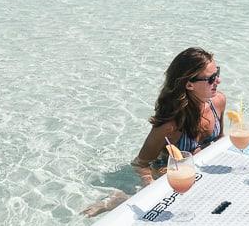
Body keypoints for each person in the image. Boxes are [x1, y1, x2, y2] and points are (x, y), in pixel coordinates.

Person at [82, 47, 226, 217]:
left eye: (217, 73)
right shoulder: (170, 126)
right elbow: (140, 163)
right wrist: (150, 185)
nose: (218, 80)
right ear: (189, 84)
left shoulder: (218, 102)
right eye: (211, 78)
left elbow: (219, 139)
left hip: (197, 170)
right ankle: (117, 199)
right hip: (167, 173)